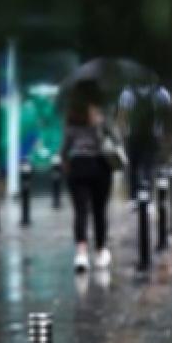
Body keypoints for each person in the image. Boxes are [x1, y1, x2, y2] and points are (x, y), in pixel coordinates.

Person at [61, 96, 114, 272]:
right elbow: (113, 139)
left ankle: (81, 253)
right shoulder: (101, 119)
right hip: (98, 166)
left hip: (77, 167)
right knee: (99, 211)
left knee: (81, 211)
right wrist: (99, 124)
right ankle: (100, 252)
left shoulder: (71, 121)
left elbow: (65, 148)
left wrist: (67, 165)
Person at [117, 83, 172, 200]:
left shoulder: (127, 93)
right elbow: (168, 118)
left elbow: (122, 118)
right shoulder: (161, 92)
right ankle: (148, 194)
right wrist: (167, 137)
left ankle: (134, 197)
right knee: (149, 165)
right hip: (153, 136)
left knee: (133, 166)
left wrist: (123, 137)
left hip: (133, 136)